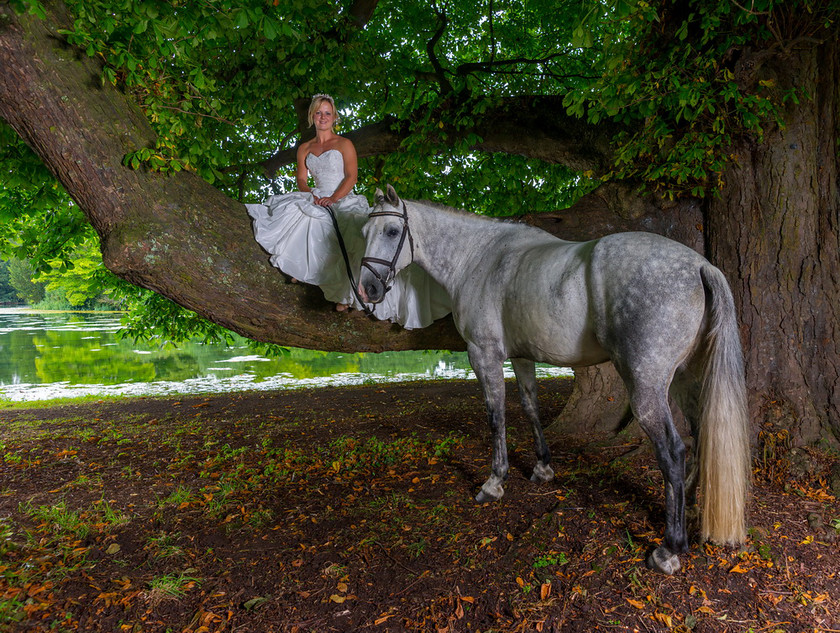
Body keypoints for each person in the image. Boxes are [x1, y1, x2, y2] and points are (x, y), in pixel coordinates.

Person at [246, 94, 450, 329]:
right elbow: (302, 179)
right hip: (316, 195)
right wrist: (310, 194)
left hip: (340, 196)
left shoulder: (344, 144)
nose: (323, 117)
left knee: (353, 236)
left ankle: (351, 297)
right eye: (318, 112)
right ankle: (301, 271)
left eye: (327, 113)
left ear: (334, 117)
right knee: (301, 216)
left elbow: (351, 177)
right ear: (312, 116)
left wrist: (333, 198)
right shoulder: (304, 148)